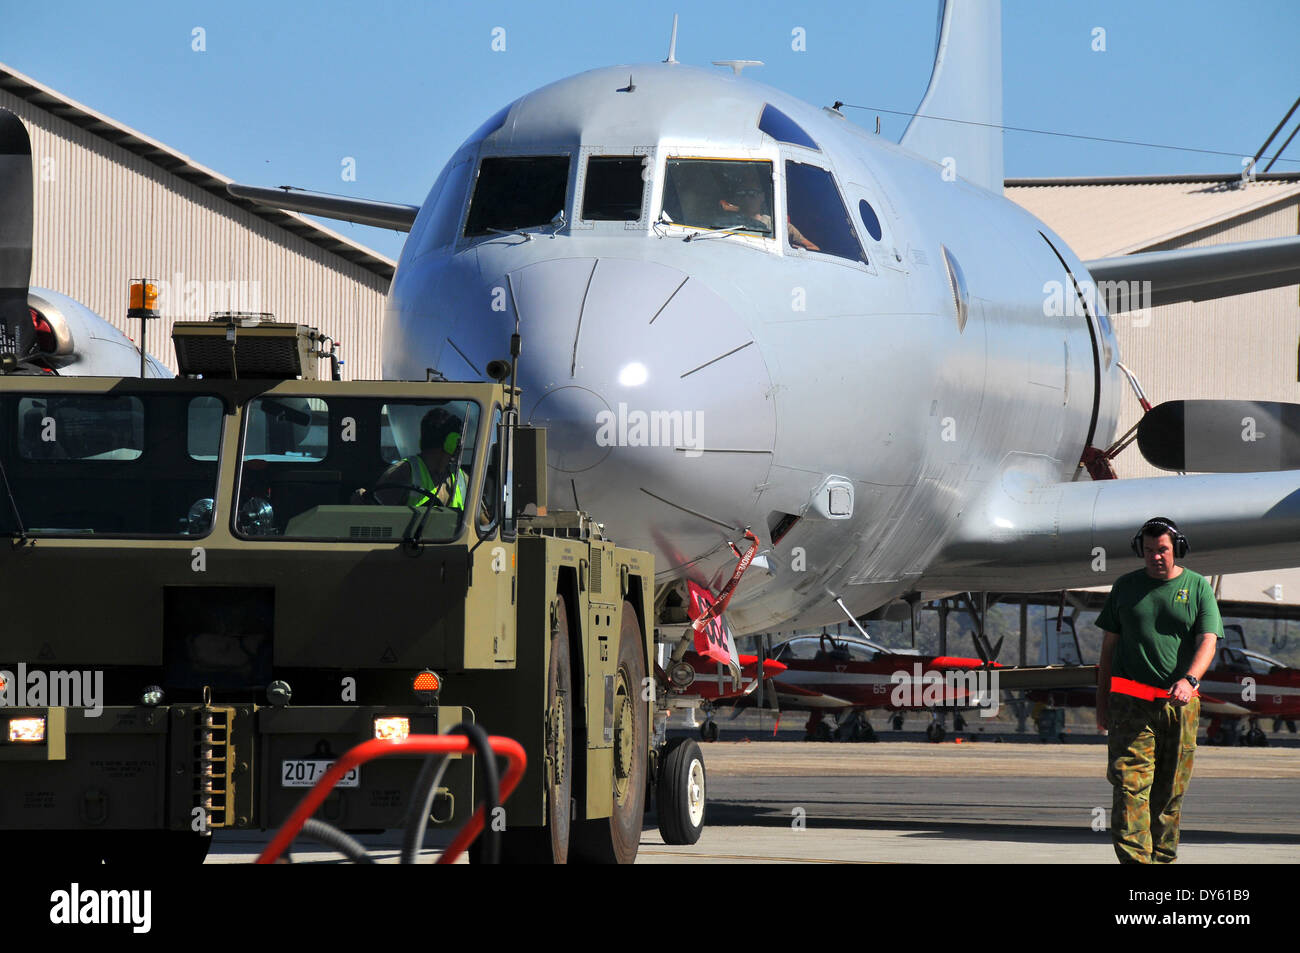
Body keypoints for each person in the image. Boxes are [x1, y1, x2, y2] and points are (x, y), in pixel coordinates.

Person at [1095, 516, 1222, 864]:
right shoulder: (1125, 587)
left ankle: (1162, 861)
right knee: (1129, 788)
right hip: (1129, 705)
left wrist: (1190, 680)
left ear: (1176, 549)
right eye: (1149, 550)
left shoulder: (1197, 587)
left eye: (1162, 549)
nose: (1155, 557)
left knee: (1168, 795)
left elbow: (1208, 641)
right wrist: (1101, 703)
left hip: (1179, 706)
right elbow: (1108, 649)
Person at [360, 407, 467, 510]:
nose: (460, 446)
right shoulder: (403, 473)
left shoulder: (462, 479)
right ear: (451, 442)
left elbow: (482, 521)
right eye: (458, 440)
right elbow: (378, 516)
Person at [718, 186, 820, 250]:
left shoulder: (778, 225)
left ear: (762, 197)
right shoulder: (727, 222)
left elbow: (813, 248)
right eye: (742, 194)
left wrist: (795, 249)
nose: (747, 198)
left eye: (752, 194)